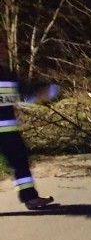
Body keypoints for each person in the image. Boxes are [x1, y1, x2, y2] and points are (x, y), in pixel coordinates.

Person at [0, 61, 56, 210]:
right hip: (8, 133)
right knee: (20, 164)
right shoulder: (6, 74)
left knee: (20, 165)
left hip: (9, 132)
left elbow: (25, 92)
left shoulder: (6, 74)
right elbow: (26, 91)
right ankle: (30, 199)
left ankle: (31, 198)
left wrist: (42, 90)